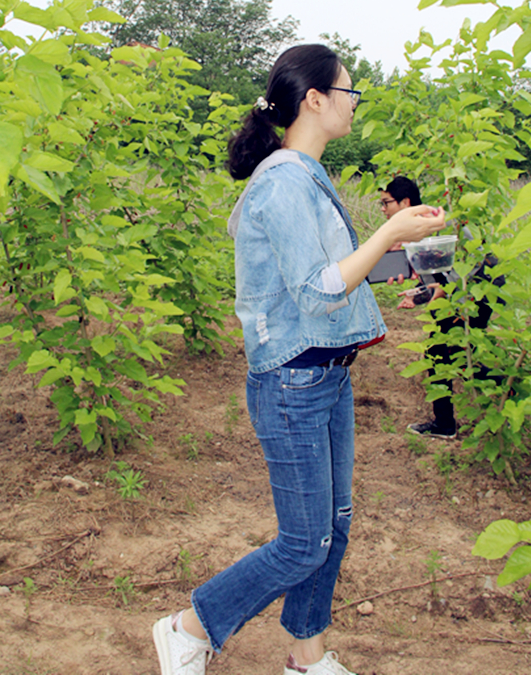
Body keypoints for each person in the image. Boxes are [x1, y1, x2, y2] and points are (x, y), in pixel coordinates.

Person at [152, 45, 446, 675]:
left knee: (332, 528)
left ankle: (306, 658)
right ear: (315, 99)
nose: (353, 104)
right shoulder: (285, 178)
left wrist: (396, 256)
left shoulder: (306, 174)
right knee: (303, 542)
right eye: (349, 92)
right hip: (294, 379)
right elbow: (316, 290)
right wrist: (387, 233)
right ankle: (188, 627)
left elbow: (322, 276)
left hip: (327, 375)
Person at [380, 176, 503, 441]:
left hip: (478, 290)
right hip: (458, 294)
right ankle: (501, 391)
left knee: (448, 351)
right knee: (452, 351)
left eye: (386, 203)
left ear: (405, 202)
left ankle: (500, 394)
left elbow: (470, 262)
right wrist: (420, 295)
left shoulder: (436, 221)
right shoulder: (412, 230)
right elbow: (436, 277)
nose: (383, 209)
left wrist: (439, 291)